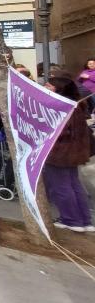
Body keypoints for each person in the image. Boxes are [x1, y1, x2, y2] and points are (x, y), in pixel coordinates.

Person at [42, 77, 94, 232]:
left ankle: (71, 220)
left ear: (59, 89)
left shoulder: (61, 106)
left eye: (49, 85)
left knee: (62, 187)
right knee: (73, 184)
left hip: (60, 152)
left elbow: (61, 132)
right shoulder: (75, 105)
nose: (45, 87)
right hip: (73, 152)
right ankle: (84, 220)